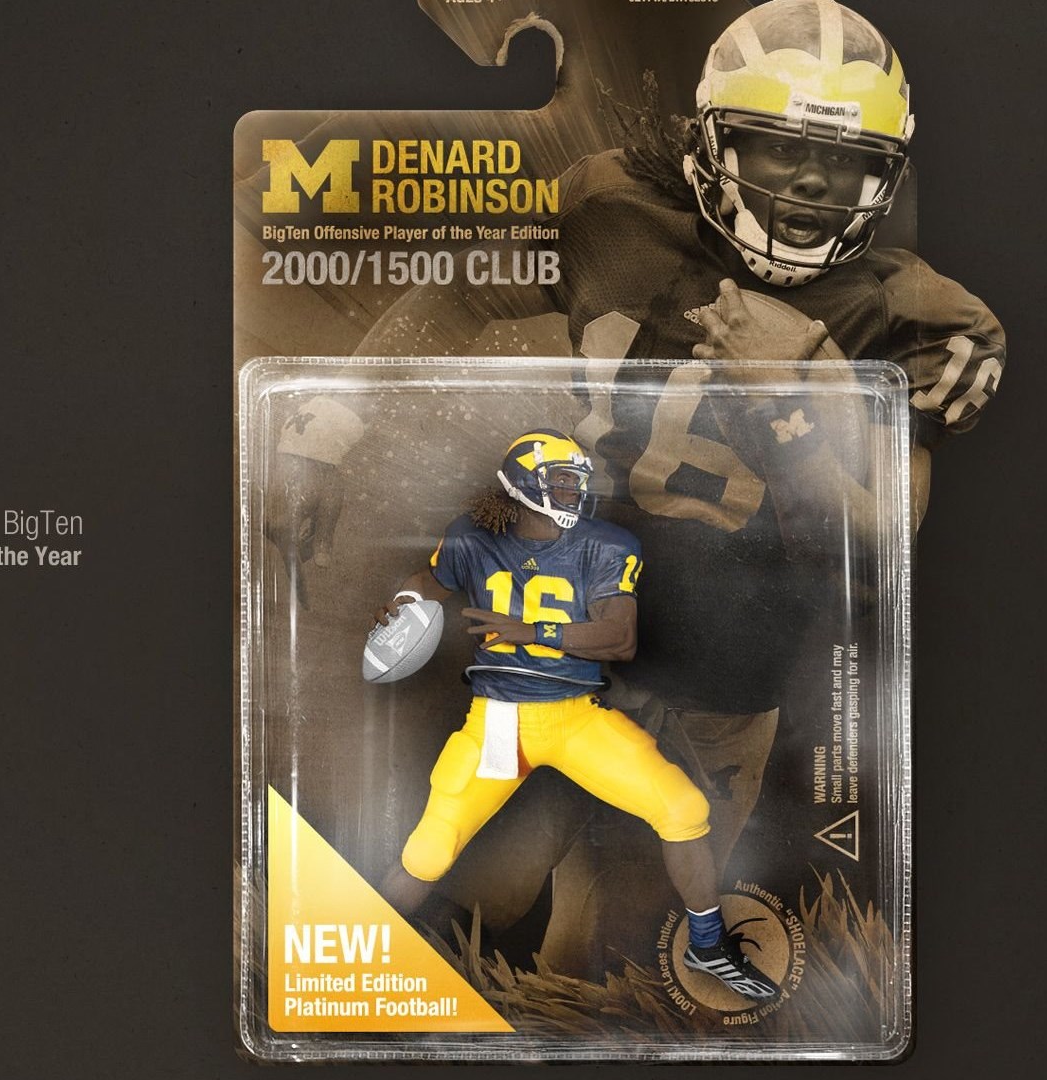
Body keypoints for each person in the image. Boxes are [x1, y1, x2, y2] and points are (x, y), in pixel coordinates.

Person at [278, 0, 1007, 975]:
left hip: (736, 655)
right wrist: (322, 432)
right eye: (779, 148)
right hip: (581, 596)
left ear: (885, 177)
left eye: (844, 162)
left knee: (619, 937)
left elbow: (879, 550)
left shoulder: (912, 313)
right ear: (711, 142)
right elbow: (457, 291)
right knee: (489, 880)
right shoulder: (609, 209)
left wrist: (784, 407)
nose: (810, 183)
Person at [373, 430, 779, 1000]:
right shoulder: (471, 536)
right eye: (562, 482)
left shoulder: (607, 544)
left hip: (577, 717)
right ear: (522, 483)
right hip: (503, 722)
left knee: (684, 809)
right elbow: (428, 580)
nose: (574, 493)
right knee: (434, 847)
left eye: (577, 482)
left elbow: (619, 639)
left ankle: (707, 945)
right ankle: (365, 947)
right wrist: (407, 600)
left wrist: (531, 630)